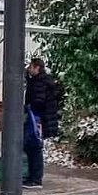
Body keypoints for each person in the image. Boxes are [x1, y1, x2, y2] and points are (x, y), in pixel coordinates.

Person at [24, 58, 63, 188]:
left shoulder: (40, 83)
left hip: (37, 118)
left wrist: (28, 108)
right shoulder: (42, 81)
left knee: (34, 148)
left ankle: (35, 179)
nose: (29, 69)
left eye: (31, 67)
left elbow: (38, 101)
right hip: (41, 118)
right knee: (34, 147)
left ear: (37, 68)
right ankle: (34, 177)